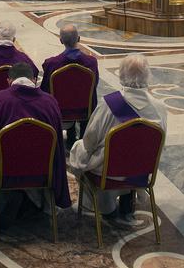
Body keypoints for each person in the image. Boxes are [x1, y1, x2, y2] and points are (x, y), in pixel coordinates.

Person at [68, 55, 167, 219]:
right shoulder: (159, 107)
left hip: (109, 172)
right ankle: (129, 193)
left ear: (120, 75)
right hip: (141, 168)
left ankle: (103, 203)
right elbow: (160, 143)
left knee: (78, 149)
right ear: (148, 76)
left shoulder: (108, 104)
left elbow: (89, 140)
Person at [0, 62, 71, 219]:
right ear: (35, 79)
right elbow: (57, 146)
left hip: (4, 173)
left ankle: (9, 199)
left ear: (9, 81)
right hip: (42, 171)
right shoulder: (50, 103)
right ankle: (33, 200)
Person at [40, 24, 99, 146]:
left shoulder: (51, 64)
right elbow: (94, 85)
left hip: (59, 108)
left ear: (61, 41)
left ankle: (70, 136)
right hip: (85, 108)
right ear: (79, 39)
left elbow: (45, 89)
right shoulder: (91, 62)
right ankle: (83, 141)